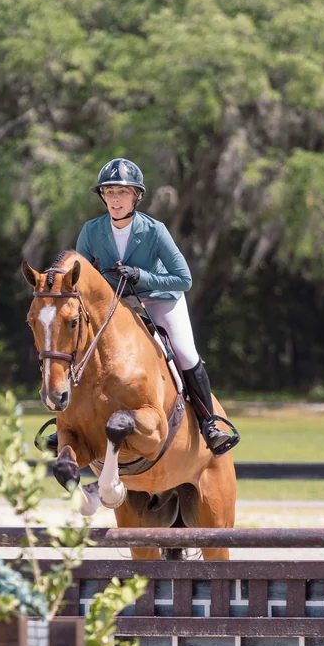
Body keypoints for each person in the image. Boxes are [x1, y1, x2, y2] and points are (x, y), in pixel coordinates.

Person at [42, 158, 239, 457]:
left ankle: (209, 423)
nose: (115, 199)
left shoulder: (154, 230)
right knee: (78, 348)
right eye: (109, 192)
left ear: (136, 196)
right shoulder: (92, 230)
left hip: (160, 299)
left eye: (122, 192)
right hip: (118, 304)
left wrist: (141, 275)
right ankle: (67, 425)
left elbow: (183, 279)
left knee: (185, 353)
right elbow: (78, 280)